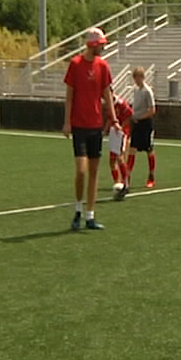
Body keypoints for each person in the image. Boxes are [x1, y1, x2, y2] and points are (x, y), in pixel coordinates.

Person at [63, 27, 119, 230]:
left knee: (94, 172)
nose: (104, 47)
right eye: (102, 44)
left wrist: (113, 120)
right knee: (81, 171)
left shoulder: (103, 66)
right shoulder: (75, 64)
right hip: (79, 125)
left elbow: (108, 96)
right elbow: (69, 96)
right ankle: (78, 209)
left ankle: (90, 215)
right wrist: (67, 121)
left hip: (96, 126)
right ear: (93, 44)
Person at [127, 66, 157, 191]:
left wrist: (141, 117)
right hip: (137, 124)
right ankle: (127, 176)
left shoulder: (147, 91)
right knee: (132, 149)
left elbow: (152, 110)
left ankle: (151, 175)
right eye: (134, 78)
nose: (136, 80)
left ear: (142, 77)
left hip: (146, 124)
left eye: (138, 77)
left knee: (149, 149)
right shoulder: (135, 90)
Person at [104, 90, 133, 199]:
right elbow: (109, 118)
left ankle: (126, 184)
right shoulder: (108, 104)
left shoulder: (121, 103)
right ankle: (117, 183)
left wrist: (121, 126)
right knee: (112, 160)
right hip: (113, 132)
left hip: (121, 132)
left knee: (120, 157)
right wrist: (105, 130)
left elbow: (130, 115)